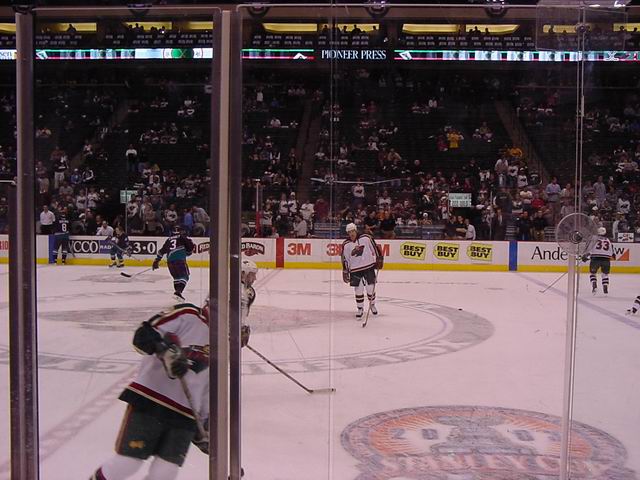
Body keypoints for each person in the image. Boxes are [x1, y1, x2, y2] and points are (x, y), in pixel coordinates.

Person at [90, 300, 210, 480]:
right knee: (127, 464)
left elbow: (209, 387)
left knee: (165, 473)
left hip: (186, 415)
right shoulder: (188, 314)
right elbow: (143, 335)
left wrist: (205, 424)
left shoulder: (225, 343)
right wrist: (164, 350)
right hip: (151, 401)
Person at [341, 223, 383, 319]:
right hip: (355, 270)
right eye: (349, 232)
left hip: (368, 267)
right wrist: (345, 270)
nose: (351, 233)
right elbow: (345, 259)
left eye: (353, 231)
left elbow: (375, 248)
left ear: (356, 230)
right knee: (358, 290)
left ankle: (372, 305)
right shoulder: (346, 244)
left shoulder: (366, 238)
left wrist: (379, 258)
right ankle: (360, 308)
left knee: (370, 288)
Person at [153, 226, 195, 301]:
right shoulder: (183, 237)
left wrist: (156, 261)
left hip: (170, 262)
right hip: (180, 261)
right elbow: (190, 248)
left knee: (176, 278)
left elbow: (161, 251)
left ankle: (177, 295)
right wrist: (188, 252)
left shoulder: (168, 240)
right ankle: (178, 292)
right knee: (185, 276)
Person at [582, 227, 614, 295]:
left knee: (593, 273)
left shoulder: (594, 238)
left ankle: (594, 285)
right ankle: (605, 286)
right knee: (605, 274)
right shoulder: (608, 240)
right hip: (606, 259)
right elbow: (612, 251)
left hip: (595, 258)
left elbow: (590, 248)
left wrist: (586, 255)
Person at [240, 259, 258, 348]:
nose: (255, 278)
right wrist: (239, 329)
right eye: (252, 275)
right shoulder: (244, 293)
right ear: (243, 274)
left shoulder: (223, 284)